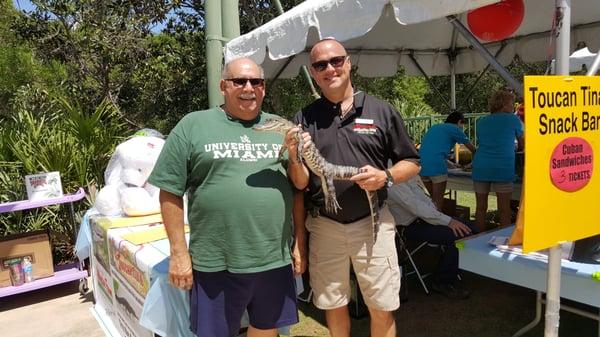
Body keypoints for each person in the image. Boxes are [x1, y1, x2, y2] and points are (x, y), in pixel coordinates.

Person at [148, 57, 308, 337]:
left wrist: (299, 244)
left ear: (264, 88)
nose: (248, 87)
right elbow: (169, 191)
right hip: (215, 259)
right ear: (224, 86)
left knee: (266, 327)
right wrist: (178, 253)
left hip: (272, 256)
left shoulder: (282, 128)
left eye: (256, 82)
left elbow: (298, 188)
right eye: (239, 81)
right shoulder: (193, 125)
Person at [293, 38, 420, 337]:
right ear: (313, 73)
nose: (330, 69)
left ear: (349, 63)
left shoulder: (381, 110)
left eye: (336, 61)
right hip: (325, 226)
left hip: (373, 225)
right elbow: (298, 182)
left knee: (382, 306)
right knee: (333, 305)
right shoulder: (304, 118)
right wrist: (293, 154)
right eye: (321, 64)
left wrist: (385, 176)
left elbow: (413, 162)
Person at [387, 176, 477, 300]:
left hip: (426, 219)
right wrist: (448, 221)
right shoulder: (393, 180)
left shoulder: (407, 174)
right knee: (458, 236)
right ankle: (443, 281)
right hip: (409, 226)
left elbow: (424, 200)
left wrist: (443, 218)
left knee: (472, 228)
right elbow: (416, 207)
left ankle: (452, 267)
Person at [472, 89, 524, 231]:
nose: (513, 106)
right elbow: (522, 143)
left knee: (481, 207)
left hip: (481, 166)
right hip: (502, 167)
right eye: (512, 103)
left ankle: (477, 238)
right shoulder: (514, 120)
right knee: (504, 209)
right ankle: (503, 241)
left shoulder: (481, 121)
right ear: (505, 104)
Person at [419, 110, 475, 210]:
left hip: (421, 166)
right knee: (438, 202)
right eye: (462, 124)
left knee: (431, 201)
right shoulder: (454, 129)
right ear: (459, 122)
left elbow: (432, 152)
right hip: (436, 167)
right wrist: (472, 164)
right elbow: (473, 149)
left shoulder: (435, 127)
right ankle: (438, 223)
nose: (462, 127)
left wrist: (453, 165)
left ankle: (431, 222)